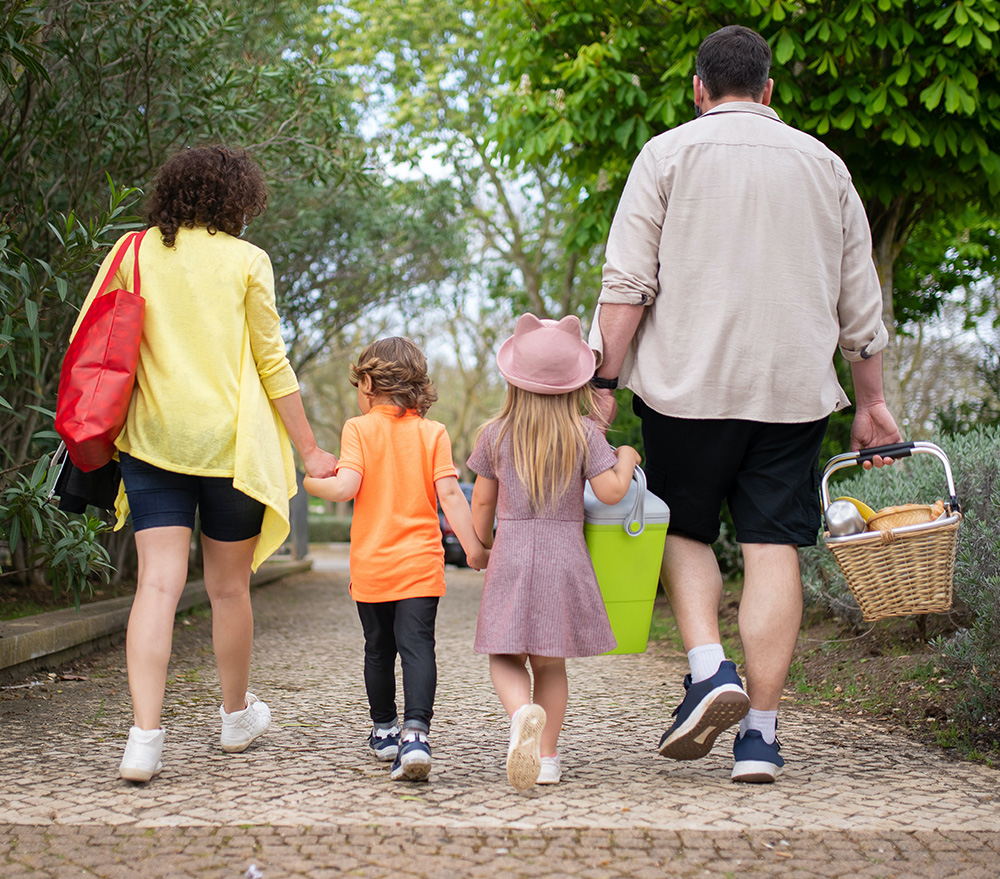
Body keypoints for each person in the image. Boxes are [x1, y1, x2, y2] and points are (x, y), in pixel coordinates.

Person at [589, 26, 902, 783]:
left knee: (686, 529)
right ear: (769, 92)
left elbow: (628, 285)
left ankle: (707, 669)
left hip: (685, 388)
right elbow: (859, 301)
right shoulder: (826, 166)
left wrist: (602, 383)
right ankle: (758, 736)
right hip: (792, 394)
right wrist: (872, 402)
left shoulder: (665, 154)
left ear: (699, 89)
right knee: (772, 547)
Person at [70, 145, 339, 782]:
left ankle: (144, 738)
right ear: (237, 200)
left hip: (153, 441)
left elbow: (92, 337)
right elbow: (272, 364)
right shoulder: (248, 260)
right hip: (231, 447)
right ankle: (234, 716)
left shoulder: (132, 251)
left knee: (157, 586)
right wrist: (309, 449)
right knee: (228, 588)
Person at [468, 314, 641, 790]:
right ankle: (546, 759)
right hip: (565, 555)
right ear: (575, 383)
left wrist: (481, 546)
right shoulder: (585, 433)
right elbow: (610, 492)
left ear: (513, 379)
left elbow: (482, 501)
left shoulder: (495, 433)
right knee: (551, 662)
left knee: (505, 655)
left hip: (512, 552)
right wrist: (626, 456)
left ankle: (522, 713)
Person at [303, 337, 489, 782]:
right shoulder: (433, 432)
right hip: (422, 564)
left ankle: (384, 728)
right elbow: (449, 495)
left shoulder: (358, 428)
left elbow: (346, 486)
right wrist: (476, 548)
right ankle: (416, 734)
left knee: (378, 648)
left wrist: (311, 484)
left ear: (367, 382)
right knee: (418, 646)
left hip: (373, 564)